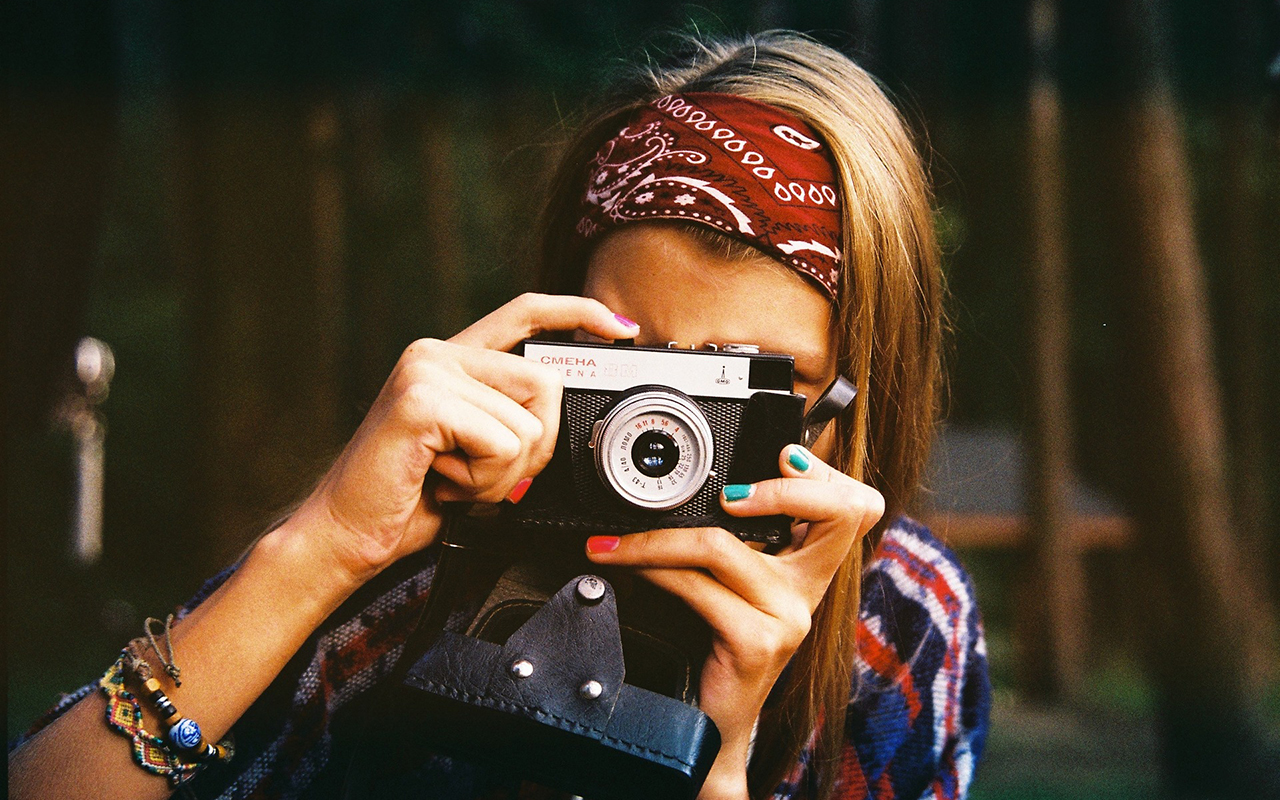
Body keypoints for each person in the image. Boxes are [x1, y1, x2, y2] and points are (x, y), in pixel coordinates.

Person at [9, 30, 989, 800]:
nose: (666, 435)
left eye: (743, 380)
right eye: (628, 360)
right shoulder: (421, 558)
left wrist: (717, 762)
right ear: (552, 331)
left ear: (854, 393)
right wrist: (321, 549)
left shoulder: (894, 623)